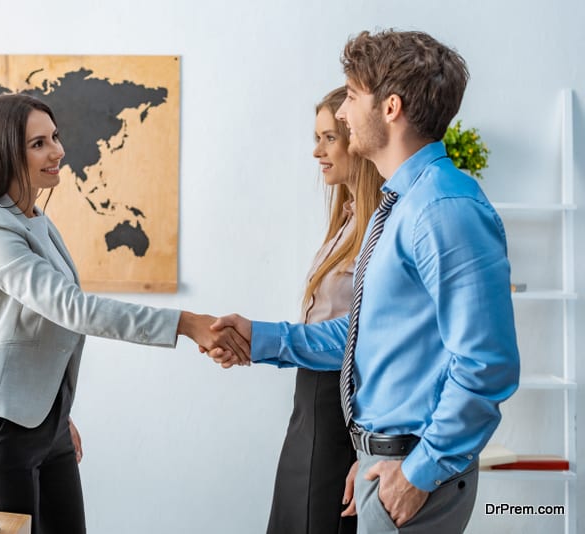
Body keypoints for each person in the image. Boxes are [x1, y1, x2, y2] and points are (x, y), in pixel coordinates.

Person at [210, 29, 520, 534]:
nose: (345, 113)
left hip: (418, 476)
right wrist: (262, 338)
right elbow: (364, 336)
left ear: (390, 107)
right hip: (384, 463)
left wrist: (416, 472)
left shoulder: (445, 208)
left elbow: (489, 366)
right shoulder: (400, 206)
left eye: (352, 97)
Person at [0, 93, 249, 534]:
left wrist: (57, 413)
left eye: (54, 137)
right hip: (3, 429)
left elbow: (45, 328)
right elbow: (72, 309)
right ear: (3, 151)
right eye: (38, 144)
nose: (58, 151)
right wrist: (186, 324)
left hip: (46, 423)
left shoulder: (38, 221)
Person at [266, 87, 382, 534]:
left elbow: (364, 340)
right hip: (309, 406)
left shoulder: (382, 228)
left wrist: (364, 453)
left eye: (329, 137)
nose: (317, 151)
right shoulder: (347, 219)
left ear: (359, 139)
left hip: (340, 414)